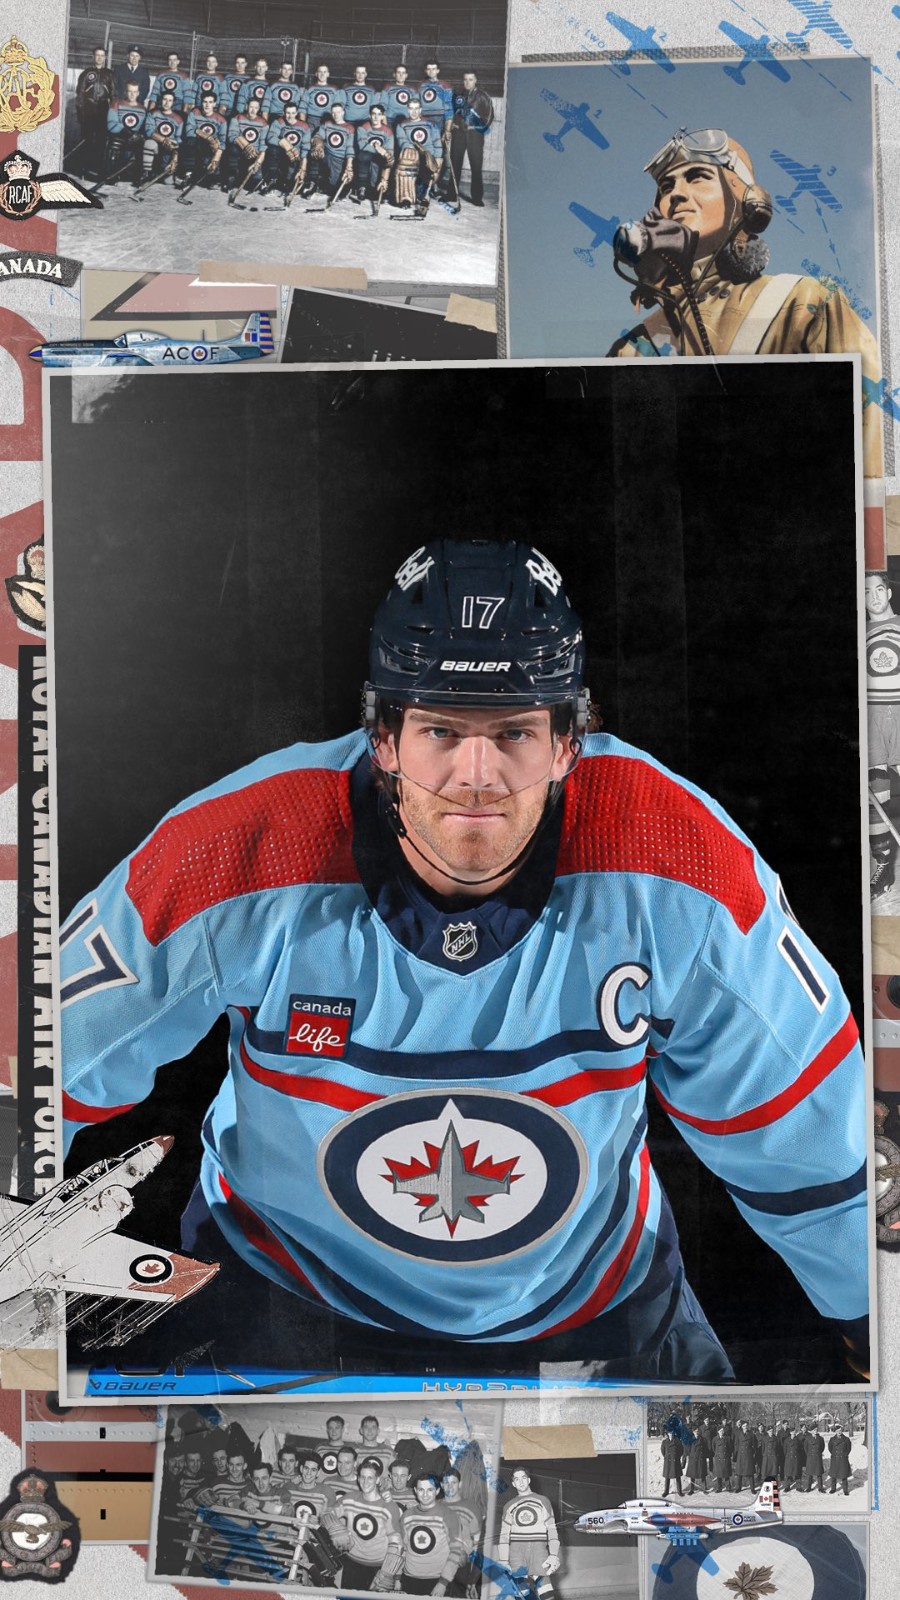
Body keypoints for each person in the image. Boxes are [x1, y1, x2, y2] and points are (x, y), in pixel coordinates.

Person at [60, 540, 868, 1384]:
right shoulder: (234, 849)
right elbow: (36, 1069)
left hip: (597, 1318)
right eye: (441, 729)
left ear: (568, 744)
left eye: (514, 731)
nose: (476, 775)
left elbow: (817, 1146)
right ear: (383, 738)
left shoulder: (678, 862)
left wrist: (873, 1327)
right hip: (282, 1307)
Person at [608, 127, 883, 477]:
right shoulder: (634, 349)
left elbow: (867, 436)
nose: (675, 194)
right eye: (666, 187)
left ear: (749, 202)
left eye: (697, 177)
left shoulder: (804, 305)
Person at [865, 571, 900, 901]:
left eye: (879, 589)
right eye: (866, 591)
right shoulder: (860, 632)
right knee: (875, 792)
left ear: (888, 593)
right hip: (872, 715)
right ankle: (885, 865)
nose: (873, 596)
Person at [400, 1472, 467, 1596]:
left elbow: (456, 1552)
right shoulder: (407, 1515)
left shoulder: (449, 1515)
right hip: (408, 1578)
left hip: (436, 1581)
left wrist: (443, 1583)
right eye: (421, 1489)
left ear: (437, 1490)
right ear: (415, 1490)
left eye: (430, 1490)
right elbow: (401, 1549)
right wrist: (397, 1578)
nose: (425, 1494)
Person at [497, 1469, 560, 1581]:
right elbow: (504, 1535)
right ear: (513, 1484)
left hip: (538, 1548)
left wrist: (553, 1554)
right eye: (517, 1479)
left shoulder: (543, 1500)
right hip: (516, 1551)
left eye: (523, 1478)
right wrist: (503, 1560)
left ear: (529, 1480)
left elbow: (551, 1528)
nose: (521, 1482)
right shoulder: (508, 1506)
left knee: (545, 1587)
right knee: (522, 1589)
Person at [450, 70, 493, 207]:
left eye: (470, 79)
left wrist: (477, 128)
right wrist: (453, 125)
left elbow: (489, 116)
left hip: (474, 135)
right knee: (455, 164)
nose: (467, 82)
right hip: (458, 134)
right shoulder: (458, 95)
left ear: (476, 81)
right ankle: (451, 193)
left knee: (476, 165)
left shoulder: (483, 96)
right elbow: (452, 112)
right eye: (465, 79)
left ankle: (477, 197)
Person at [73, 46, 115, 179]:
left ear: (105, 58)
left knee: (101, 141)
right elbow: (80, 94)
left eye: (102, 55)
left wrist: (112, 115)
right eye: (97, 55)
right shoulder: (86, 73)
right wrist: (81, 113)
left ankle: (96, 169)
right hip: (88, 108)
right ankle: (83, 169)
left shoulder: (110, 74)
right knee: (87, 139)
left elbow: (113, 95)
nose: (100, 58)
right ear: (93, 57)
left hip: (103, 109)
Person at [827, 1424, 852, 1495]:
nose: (839, 1432)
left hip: (843, 1459)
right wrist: (834, 1454)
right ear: (835, 1431)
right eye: (837, 1431)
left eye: (840, 1430)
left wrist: (844, 1455)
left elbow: (848, 1449)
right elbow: (830, 1448)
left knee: (844, 1475)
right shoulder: (832, 1439)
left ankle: (845, 1490)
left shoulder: (846, 1439)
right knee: (833, 1475)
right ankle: (833, 1489)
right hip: (835, 1458)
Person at [661, 1429, 685, 1496]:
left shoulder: (677, 1441)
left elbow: (681, 1450)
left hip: (675, 1461)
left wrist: (677, 1457)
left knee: (677, 1476)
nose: (671, 1434)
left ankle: (679, 1491)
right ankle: (666, 1491)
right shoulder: (664, 1442)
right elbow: (663, 1451)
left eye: (672, 1432)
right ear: (667, 1433)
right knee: (667, 1477)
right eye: (669, 1432)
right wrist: (667, 1457)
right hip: (668, 1461)